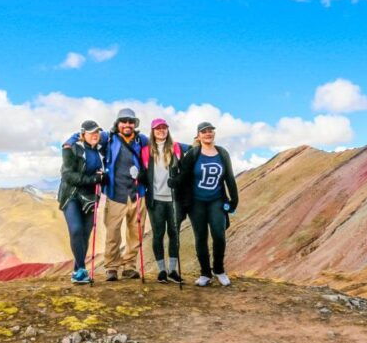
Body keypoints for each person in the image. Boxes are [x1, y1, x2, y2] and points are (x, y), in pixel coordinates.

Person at [64, 108, 149, 281]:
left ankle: (130, 266)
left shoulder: (142, 139)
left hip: (138, 193)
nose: (127, 124)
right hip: (115, 193)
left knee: (135, 231)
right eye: (124, 121)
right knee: (113, 232)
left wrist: (195, 145)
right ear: (118, 123)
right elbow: (86, 134)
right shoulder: (108, 137)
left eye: (130, 121)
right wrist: (68, 143)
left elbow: (164, 143)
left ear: (135, 124)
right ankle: (112, 267)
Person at [171, 122, 239, 287]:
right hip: (196, 203)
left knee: (219, 235)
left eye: (210, 131)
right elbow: (183, 174)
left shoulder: (222, 153)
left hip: (217, 201)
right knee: (200, 237)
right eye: (204, 132)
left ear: (213, 134)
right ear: (198, 136)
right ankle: (205, 273)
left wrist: (234, 200)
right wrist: (174, 182)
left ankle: (219, 270)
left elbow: (229, 177)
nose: (208, 134)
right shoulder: (194, 154)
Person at [140, 118, 189, 284]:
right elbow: (144, 175)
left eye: (164, 128)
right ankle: (162, 271)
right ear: (152, 132)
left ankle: (172, 270)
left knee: (174, 234)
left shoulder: (176, 148)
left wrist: (178, 180)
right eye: (157, 128)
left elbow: (185, 169)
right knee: (158, 234)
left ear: (167, 130)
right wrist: (136, 176)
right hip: (155, 200)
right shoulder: (146, 151)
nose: (161, 131)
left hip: (174, 199)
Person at [57, 120, 106, 284]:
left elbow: (102, 176)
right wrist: (69, 143)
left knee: (85, 234)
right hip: (71, 196)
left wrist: (102, 178)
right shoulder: (75, 149)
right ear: (82, 134)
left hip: (90, 198)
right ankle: (81, 270)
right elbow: (67, 174)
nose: (95, 135)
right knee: (76, 230)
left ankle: (77, 271)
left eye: (97, 132)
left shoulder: (100, 151)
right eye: (91, 132)